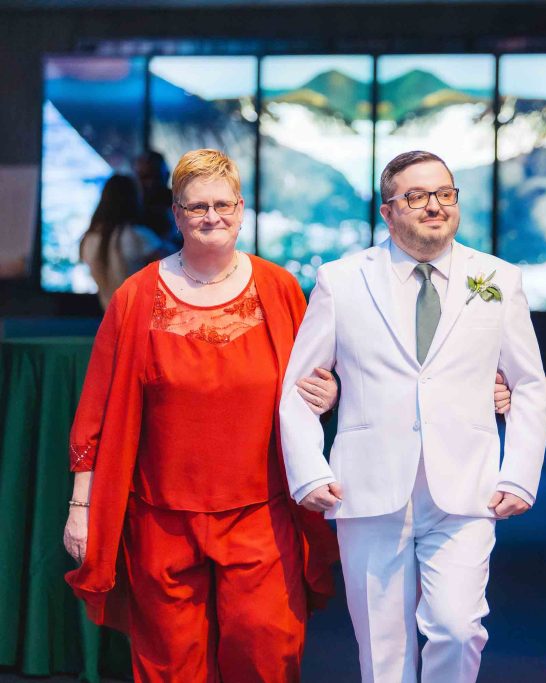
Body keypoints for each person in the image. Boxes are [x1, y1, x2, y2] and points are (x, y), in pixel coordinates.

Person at [62, 149, 341, 681]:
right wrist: (82, 505)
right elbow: (96, 408)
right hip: (161, 516)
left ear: (241, 208)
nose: (211, 217)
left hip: (261, 512)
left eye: (222, 204)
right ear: (176, 213)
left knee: (268, 653)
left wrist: (325, 396)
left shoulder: (279, 289)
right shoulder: (136, 296)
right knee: (169, 666)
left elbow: (315, 378)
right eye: (196, 207)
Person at [279, 150, 546, 683]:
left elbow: (528, 385)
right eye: (418, 196)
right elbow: (298, 386)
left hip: (467, 485)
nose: (434, 206)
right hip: (369, 484)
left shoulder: (498, 278)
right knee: (382, 650)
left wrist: (520, 473)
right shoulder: (342, 279)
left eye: (445, 194)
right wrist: (308, 469)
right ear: (388, 210)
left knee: (458, 627)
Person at [79, 174, 175, 309]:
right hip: (141, 321)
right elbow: (178, 271)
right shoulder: (137, 236)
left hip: (111, 321)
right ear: (133, 200)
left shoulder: (88, 239)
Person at [134, 149, 177, 243]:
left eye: (156, 176)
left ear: (167, 175)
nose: (151, 182)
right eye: (145, 177)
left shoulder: (179, 202)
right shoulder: (132, 205)